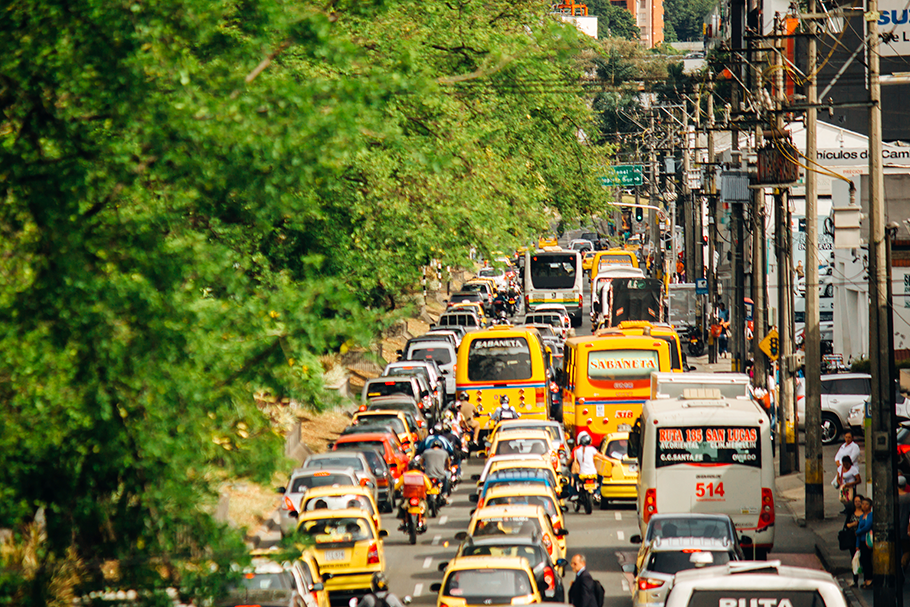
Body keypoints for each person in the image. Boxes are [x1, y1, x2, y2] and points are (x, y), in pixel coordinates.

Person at [843, 494, 864, 587]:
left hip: (863, 538)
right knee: (854, 559)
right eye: (856, 501)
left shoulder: (866, 513)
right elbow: (846, 525)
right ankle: (855, 579)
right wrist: (853, 524)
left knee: (863, 559)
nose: (857, 503)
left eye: (859, 501)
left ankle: (866, 579)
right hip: (852, 539)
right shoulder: (851, 512)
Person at [855, 497, 873, 588]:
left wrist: (857, 532)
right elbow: (859, 529)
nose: (864, 506)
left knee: (867, 560)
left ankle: (869, 579)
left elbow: (867, 527)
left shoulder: (871, 515)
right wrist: (857, 545)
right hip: (861, 541)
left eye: (866, 504)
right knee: (863, 560)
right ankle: (866, 579)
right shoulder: (862, 516)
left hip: (868, 541)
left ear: (870, 506)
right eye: (863, 504)